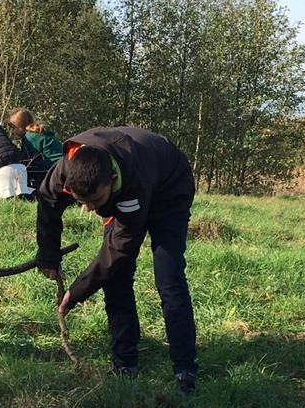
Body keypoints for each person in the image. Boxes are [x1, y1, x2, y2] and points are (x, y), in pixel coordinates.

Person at [34, 126, 199, 393]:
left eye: (95, 200)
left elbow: (119, 249)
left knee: (168, 280)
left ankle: (185, 368)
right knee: (116, 281)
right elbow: (48, 201)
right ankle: (125, 363)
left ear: (110, 180)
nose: (88, 208)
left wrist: (76, 292)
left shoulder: (133, 181)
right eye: (81, 201)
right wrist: (48, 255)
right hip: (127, 188)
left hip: (168, 190)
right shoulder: (66, 167)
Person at [7, 107, 63, 189]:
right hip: (62, 166)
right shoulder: (39, 133)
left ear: (21, 126)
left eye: (14, 128)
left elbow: (26, 162)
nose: (13, 132)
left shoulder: (30, 138)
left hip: (53, 170)